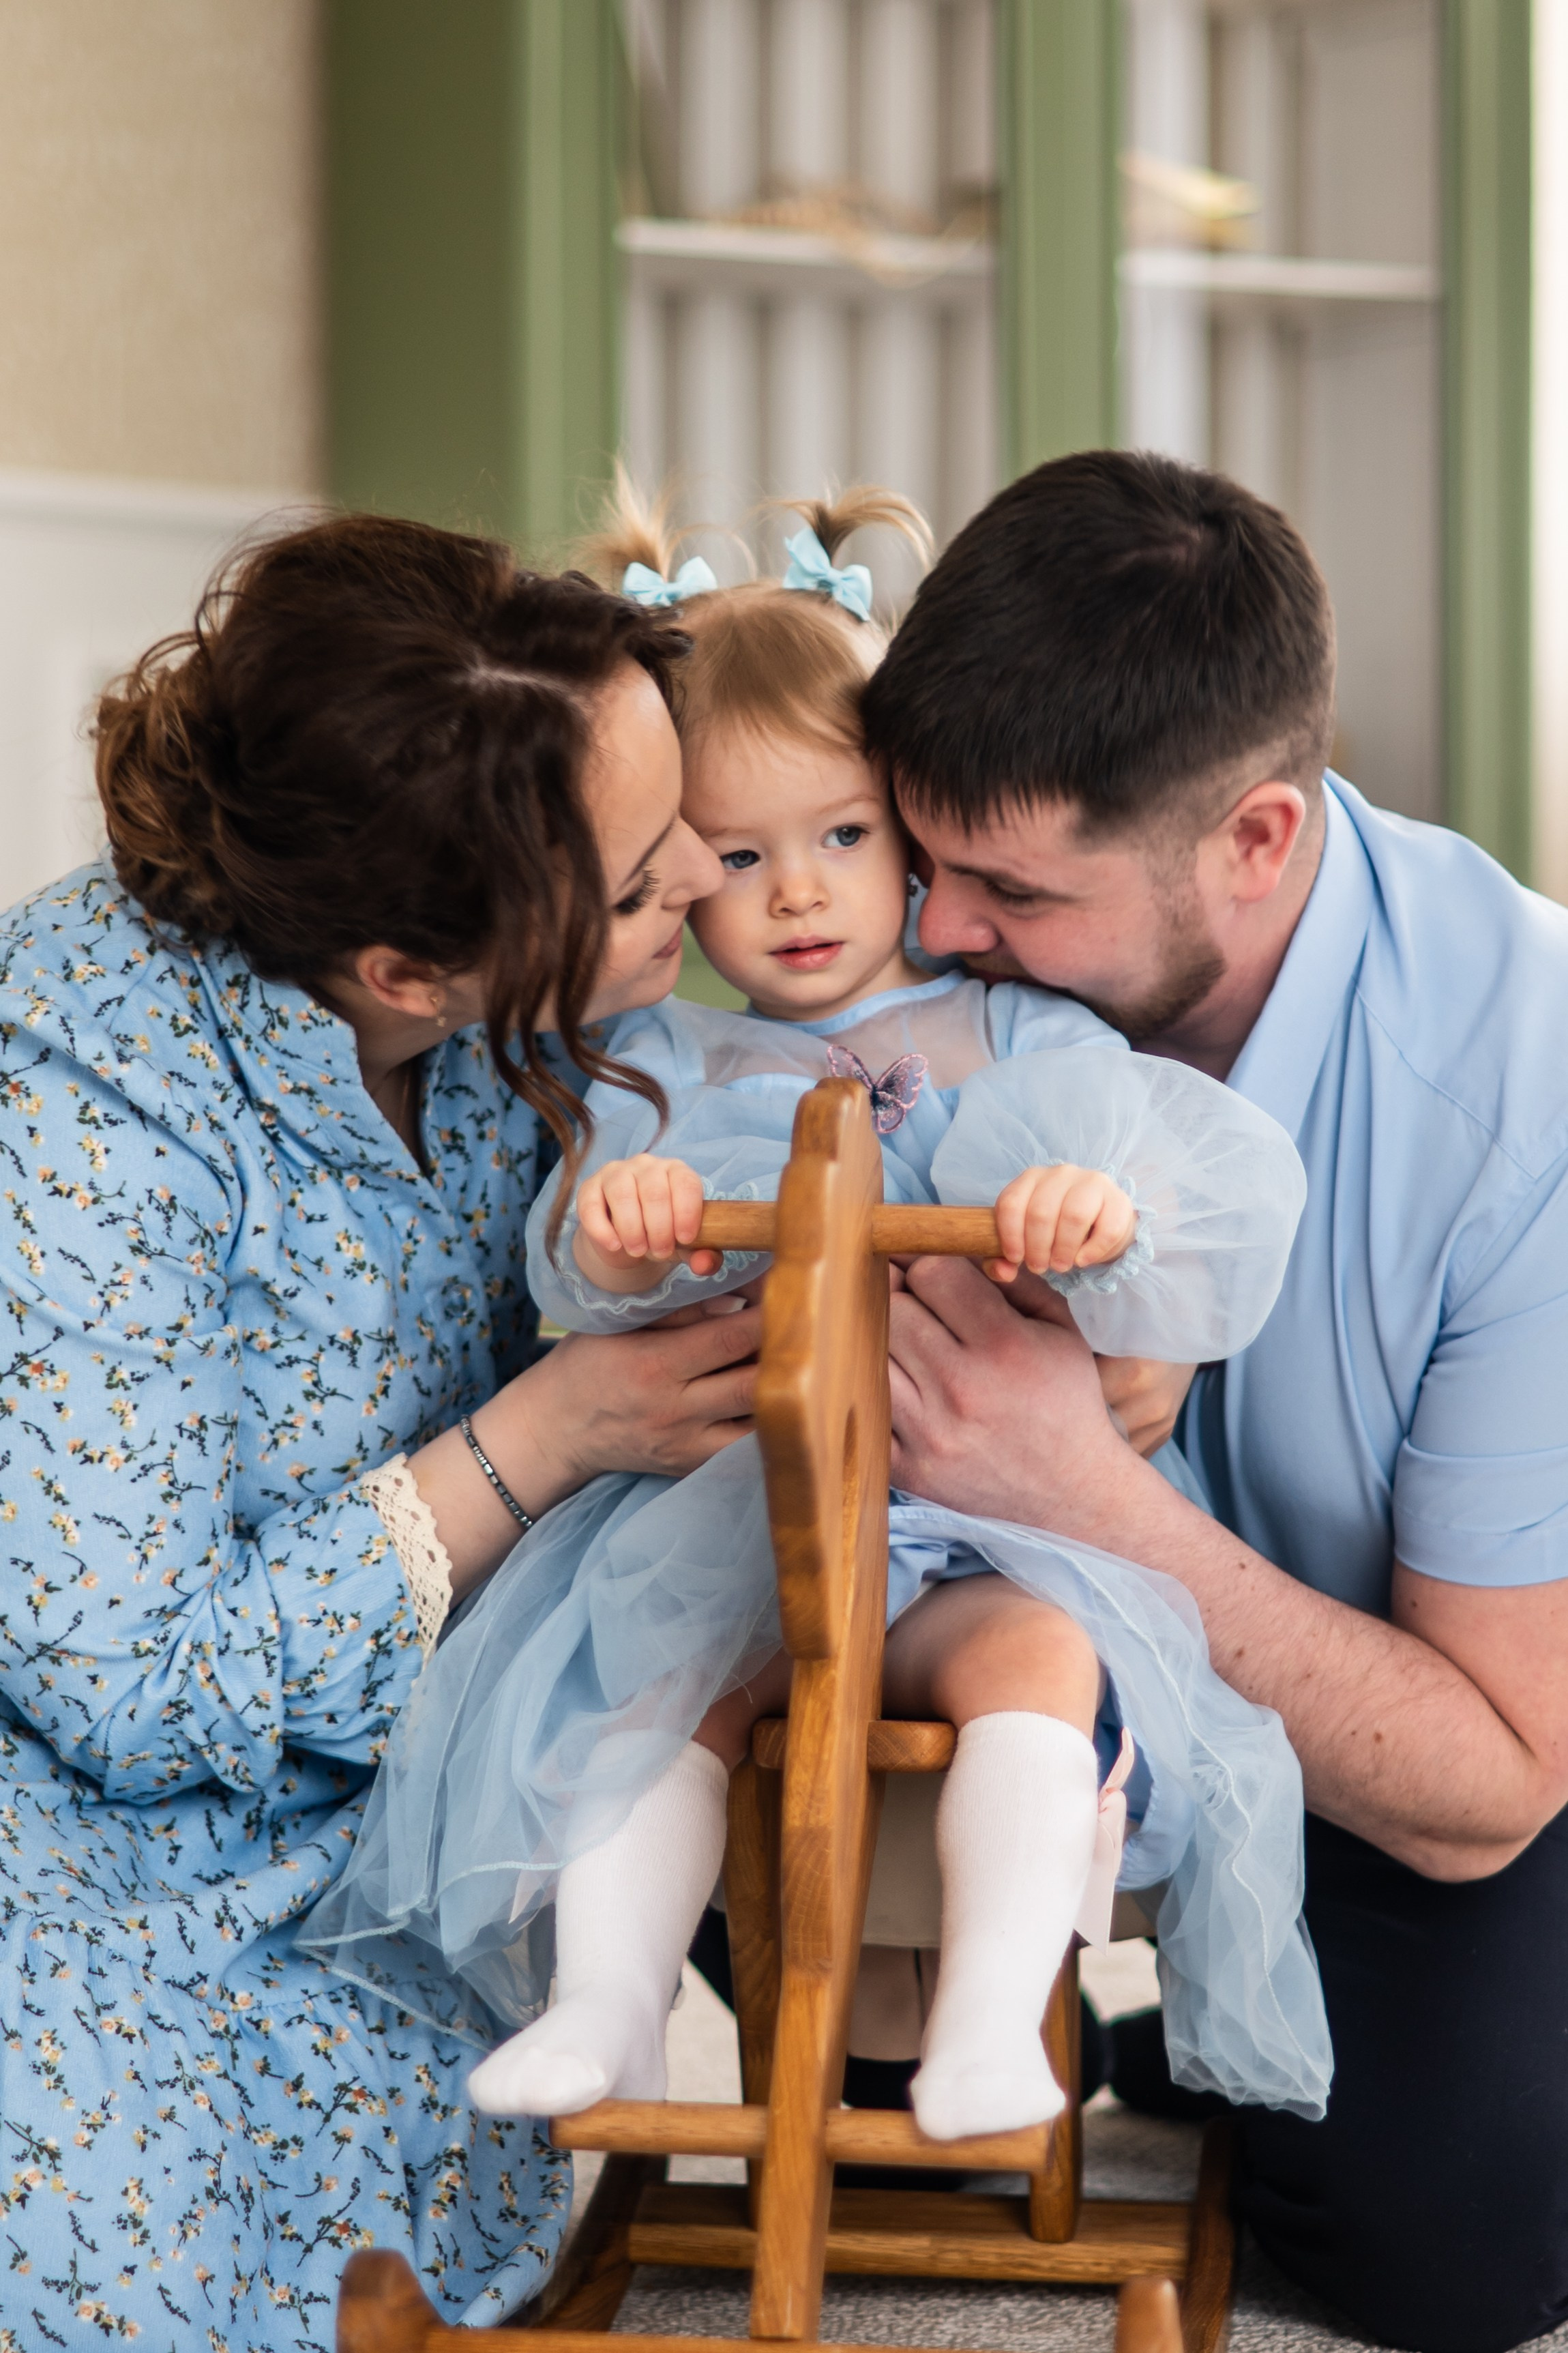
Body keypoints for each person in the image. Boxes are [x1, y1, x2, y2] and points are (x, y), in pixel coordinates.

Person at [304, 487, 1329, 2152]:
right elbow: (574, 1261)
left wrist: (1089, 1214)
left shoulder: (1017, 1022)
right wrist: (624, 1238)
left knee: (1039, 1662)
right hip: (738, 1521)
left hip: (978, 1519)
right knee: (661, 1694)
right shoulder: (666, 1060)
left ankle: (995, 2021)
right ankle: (610, 2000)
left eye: (841, 837)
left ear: (908, 829)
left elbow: (1162, 1200)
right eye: (733, 858)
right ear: (664, 877)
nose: (795, 894)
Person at [0, 512, 782, 2344]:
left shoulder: (525, 980)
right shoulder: (85, 1104)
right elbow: (123, 1679)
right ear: (405, 972)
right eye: (644, 873)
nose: (699, 868)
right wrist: (550, 1431)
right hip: (90, 1775)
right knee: (124, 2246)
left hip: (423, 1736)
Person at [857, 448, 1568, 2353]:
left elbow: (1491, 1775)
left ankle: (1202, 2043)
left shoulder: (1521, 1094)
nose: (929, 935)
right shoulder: (953, 1005)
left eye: (1006, 886)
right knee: (860, 2123)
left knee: (1457, 2248)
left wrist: (1070, 1483)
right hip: (1026, 1693)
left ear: (1251, 842)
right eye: (919, 862)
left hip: (1438, 1720)